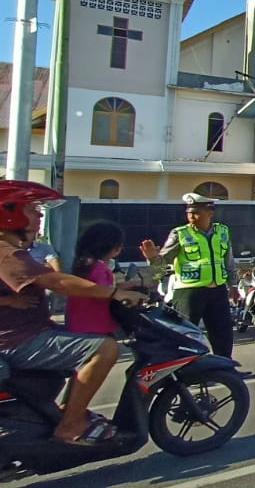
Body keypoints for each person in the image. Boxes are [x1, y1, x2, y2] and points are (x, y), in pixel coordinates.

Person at [0, 181, 147, 444]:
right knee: (104, 348)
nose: (39, 215)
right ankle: (71, 425)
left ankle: (64, 411)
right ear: (11, 213)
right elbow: (56, 282)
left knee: (79, 338)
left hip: (26, 332)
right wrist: (114, 293)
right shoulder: (6, 252)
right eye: (33, 210)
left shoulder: (14, 251)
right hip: (16, 340)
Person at [140, 192, 240, 357]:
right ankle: (183, 371)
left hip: (217, 290)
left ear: (210, 213)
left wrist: (233, 285)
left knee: (222, 332)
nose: (192, 216)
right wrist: (153, 258)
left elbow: (228, 261)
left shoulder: (222, 231)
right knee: (185, 333)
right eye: (189, 212)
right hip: (189, 292)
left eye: (196, 212)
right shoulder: (180, 233)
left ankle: (226, 370)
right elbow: (163, 261)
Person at [66, 221, 137, 336]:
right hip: (95, 327)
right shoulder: (99, 268)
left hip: (78, 325)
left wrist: (120, 287)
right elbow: (103, 295)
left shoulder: (85, 264)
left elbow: (100, 289)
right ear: (116, 247)